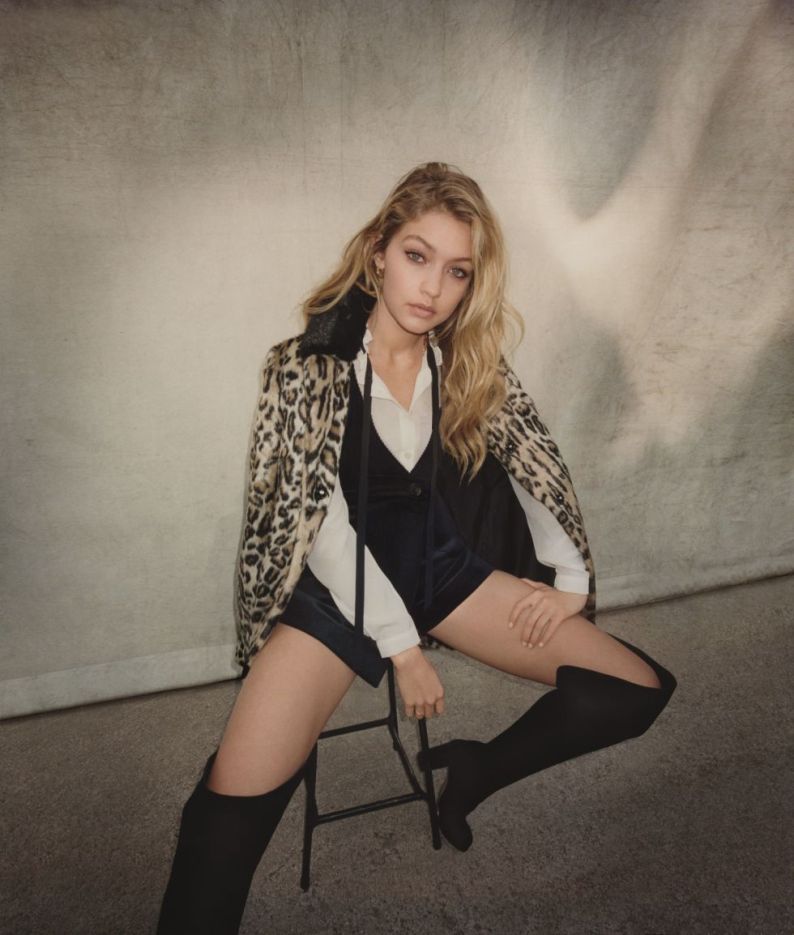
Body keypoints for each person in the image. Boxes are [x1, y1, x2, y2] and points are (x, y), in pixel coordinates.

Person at [157, 162, 677, 934]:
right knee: (223, 821)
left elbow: (533, 457)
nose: (432, 286)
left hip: (439, 571)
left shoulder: (464, 359)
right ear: (379, 252)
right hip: (338, 596)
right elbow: (321, 526)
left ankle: (476, 768)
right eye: (416, 255)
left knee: (632, 688)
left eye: (456, 270)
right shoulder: (310, 364)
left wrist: (569, 578)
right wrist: (403, 648)